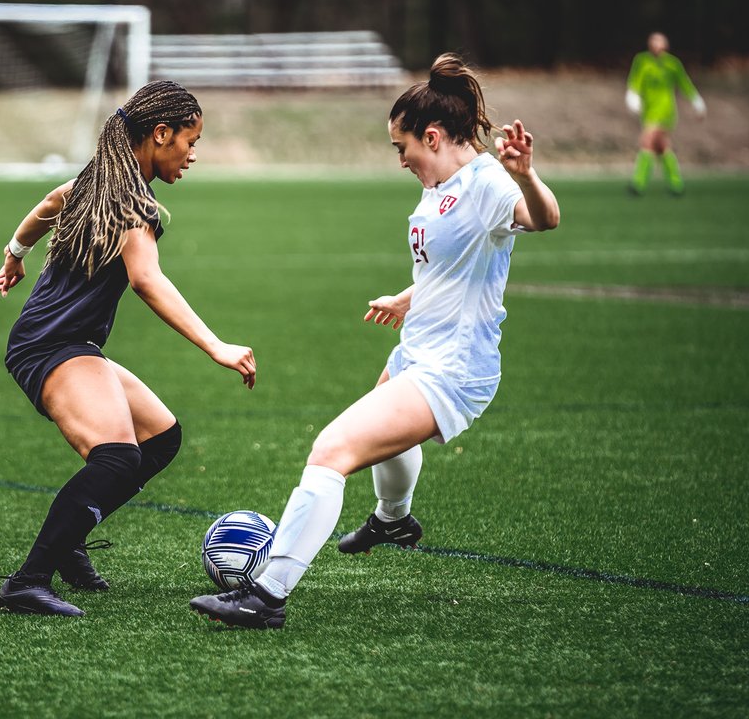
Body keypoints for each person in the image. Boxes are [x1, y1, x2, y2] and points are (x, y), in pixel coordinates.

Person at [190, 53, 561, 629]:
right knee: (381, 434)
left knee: (332, 451)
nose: (402, 159)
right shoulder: (442, 185)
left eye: (402, 147)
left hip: (453, 368)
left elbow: (544, 219)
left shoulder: (487, 182)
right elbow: (453, 268)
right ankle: (393, 521)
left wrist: (526, 177)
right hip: (418, 349)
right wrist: (405, 297)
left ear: (432, 136)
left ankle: (266, 595)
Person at [0, 80, 257, 617]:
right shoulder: (133, 205)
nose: (193, 154)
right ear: (161, 135)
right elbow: (148, 281)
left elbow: (49, 201)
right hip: (51, 345)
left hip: (64, 342)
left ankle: (67, 545)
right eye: (190, 140)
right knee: (116, 458)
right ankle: (29, 580)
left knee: (160, 438)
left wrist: (15, 253)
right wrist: (215, 345)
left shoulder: (96, 181)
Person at [625, 32, 706, 196]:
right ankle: (677, 184)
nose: (656, 45)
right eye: (653, 41)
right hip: (648, 111)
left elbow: (685, 84)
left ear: (666, 45)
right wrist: (632, 97)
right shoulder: (642, 61)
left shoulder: (672, 64)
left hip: (665, 111)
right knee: (662, 147)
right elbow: (635, 81)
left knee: (646, 142)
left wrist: (697, 102)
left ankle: (638, 184)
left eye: (659, 42)